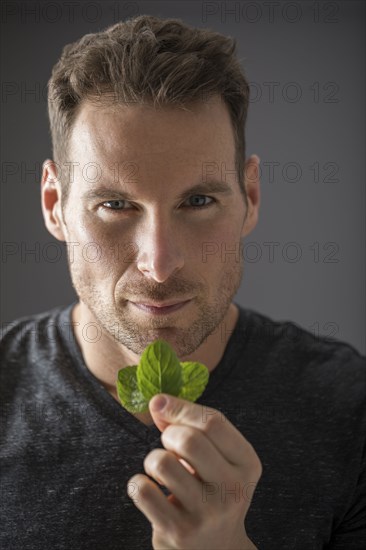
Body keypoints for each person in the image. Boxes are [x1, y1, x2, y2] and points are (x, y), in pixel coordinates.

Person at [1, 14, 365, 550]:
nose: (161, 263)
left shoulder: (349, 411)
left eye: (198, 202)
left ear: (250, 198)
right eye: (114, 205)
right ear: (54, 206)